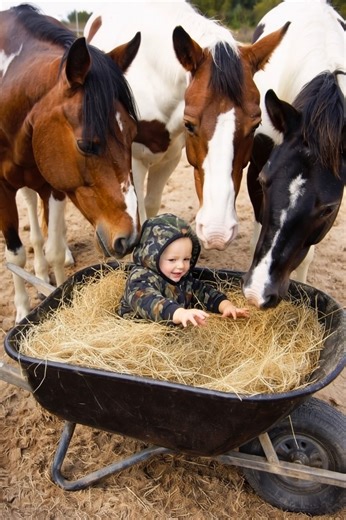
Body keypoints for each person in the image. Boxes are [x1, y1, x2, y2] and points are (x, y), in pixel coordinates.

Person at [118, 213, 249, 327]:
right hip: (140, 335)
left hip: (169, 338)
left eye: (186, 259)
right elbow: (149, 302)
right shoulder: (140, 279)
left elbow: (203, 292)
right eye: (172, 260)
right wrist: (179, 313)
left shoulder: (182, 279)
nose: (181, 266)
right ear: (152, 257)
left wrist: (225, 306)